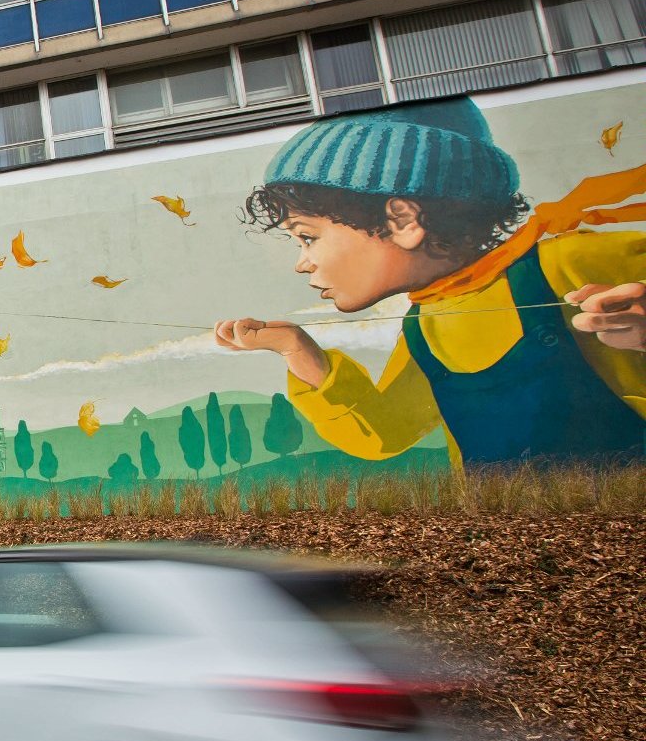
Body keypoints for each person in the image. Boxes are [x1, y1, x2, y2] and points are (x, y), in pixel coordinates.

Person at [213, 97, 646, 466]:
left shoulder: (571, 263)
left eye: (307, 237)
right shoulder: (426, 322)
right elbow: (386, 431)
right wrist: (296, 348)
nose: (302, 264)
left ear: (402, 220)